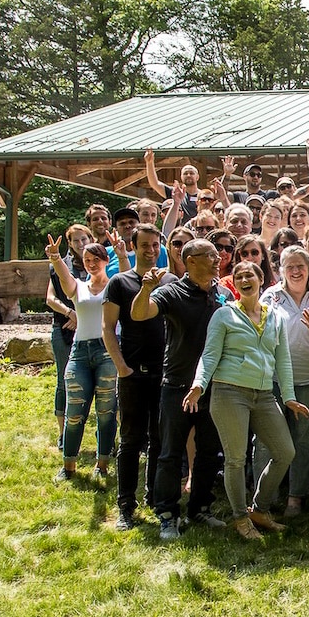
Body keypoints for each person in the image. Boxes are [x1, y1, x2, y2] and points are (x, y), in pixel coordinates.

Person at [186, 261, 307, 539]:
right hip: (229, 392)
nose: (244, 280)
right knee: (236, 459)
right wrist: (199, 385)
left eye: (249, 275)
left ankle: (259, 510)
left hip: (263, 394)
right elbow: (209, 355)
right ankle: (240, 518)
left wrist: (289, 397)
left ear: (261, 279)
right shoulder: (224, 315)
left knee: (285, 452)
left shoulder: (275, 317)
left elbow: (283, 360)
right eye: (238, 276)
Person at [130, 238, 231, 540]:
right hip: (177, 386)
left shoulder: (222, 294)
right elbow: (139, 314)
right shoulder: (172, 292)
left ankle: (200, 508)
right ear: (190, 261)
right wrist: (146, 289)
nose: (218, 259)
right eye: (210, 255)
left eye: (217, 255)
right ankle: (167, 515)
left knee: (209, 452)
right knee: (170, 454)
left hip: (213, 387)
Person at [102, 224, 171, 530]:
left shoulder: (169, 282)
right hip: (132, 373)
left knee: (159, 439)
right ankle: (126, 506)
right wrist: (121, 367)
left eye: (155, 245)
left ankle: (154, 498)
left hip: (163, 374)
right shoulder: (120, 282)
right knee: (131, 440)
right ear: (133, 247)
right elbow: (107, 328)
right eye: (145, 245)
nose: (151, 250)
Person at [259, 246, 309, 518]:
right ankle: (264, 498)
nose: (296, 271)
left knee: (303, 441)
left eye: (300, 265)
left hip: (308, 381)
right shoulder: (270, 297)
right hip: (273, 381)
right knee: (267, 440)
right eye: (289, 266)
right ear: (281, 270)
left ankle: (295, 497)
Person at [45, 236, 116, 483]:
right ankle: (68, 466)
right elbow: (64, 278)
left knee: (106, 410)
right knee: (74, 411)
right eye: (87, 260)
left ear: (105, 261)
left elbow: (128, 275)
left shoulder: (114, 286)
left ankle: (102, 464)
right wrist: (55, 257)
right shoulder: (78, 287)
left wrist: (121, 254)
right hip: (80, 352)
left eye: (96, 259)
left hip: (107, 352)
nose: (91, 264)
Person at [46, 224, 93, 451]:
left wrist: (81, 315)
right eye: (75, 240)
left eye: (84, 239)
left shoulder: (100, 263)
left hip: (92, 329)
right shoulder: (60, 266)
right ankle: (63, 433)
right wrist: (71, 313)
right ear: (70, 243)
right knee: (64, 381)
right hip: (64, 327)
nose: (80, 244)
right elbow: (50, 298)